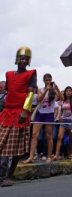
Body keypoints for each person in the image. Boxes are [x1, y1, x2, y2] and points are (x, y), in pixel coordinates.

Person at [0, 47, 37, 186]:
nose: (24, 61)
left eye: (26, 59)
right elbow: (9, 91)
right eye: (22, 58)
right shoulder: (9, 74)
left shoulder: (31, 74)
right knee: (2, 144)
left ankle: (8, 176)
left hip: (20, 113)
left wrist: (25, 111)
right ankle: (2, 175)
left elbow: (30, 94)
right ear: (17, 59)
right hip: (7, 113)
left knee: (15, 147)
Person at [24, 73, 63, 164]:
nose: (48, 82)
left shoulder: (54, 91)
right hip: (40, 113)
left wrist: (56, 89)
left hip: (49, 114)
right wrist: (46, 90)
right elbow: (40, 100)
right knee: (34, 134)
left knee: (48, 136)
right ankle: (31, 157)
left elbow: (62, 98)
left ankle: (49, 156)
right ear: (44, 81)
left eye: (49, 80)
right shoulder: (40, 89)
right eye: (46, 80)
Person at [52, 86, 72, 161]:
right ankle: (56, 155)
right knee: (59, 137)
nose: (68, 92)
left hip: (70, 121)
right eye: (67, 91)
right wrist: (60, 115)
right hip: (63, 120)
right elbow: (63, 110)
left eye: (70, 91)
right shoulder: (63, 101)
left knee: (71, 138)